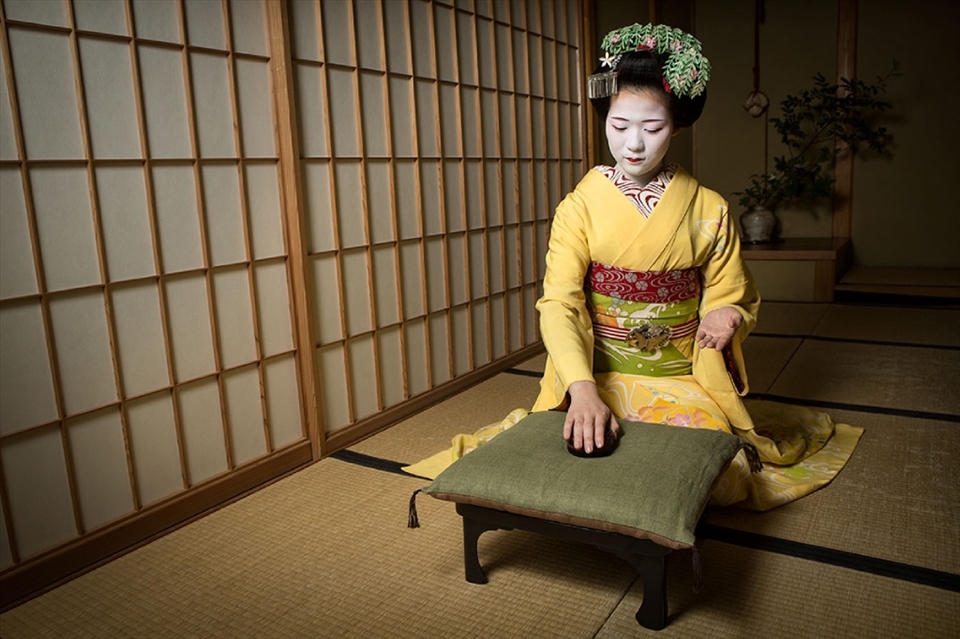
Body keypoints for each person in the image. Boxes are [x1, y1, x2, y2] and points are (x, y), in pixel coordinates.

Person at [406, 24, 862, 511]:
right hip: (597, 371)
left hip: (681, 372)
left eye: (653, 127)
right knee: (574, 456)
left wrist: (727, 314)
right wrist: (581, 391)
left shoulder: (708, 207)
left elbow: (732, 291)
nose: (634, 145)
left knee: (720, 477)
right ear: (605, 119)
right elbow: (560, 303)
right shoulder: (578, 208)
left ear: (678, 125)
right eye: (620, 126)